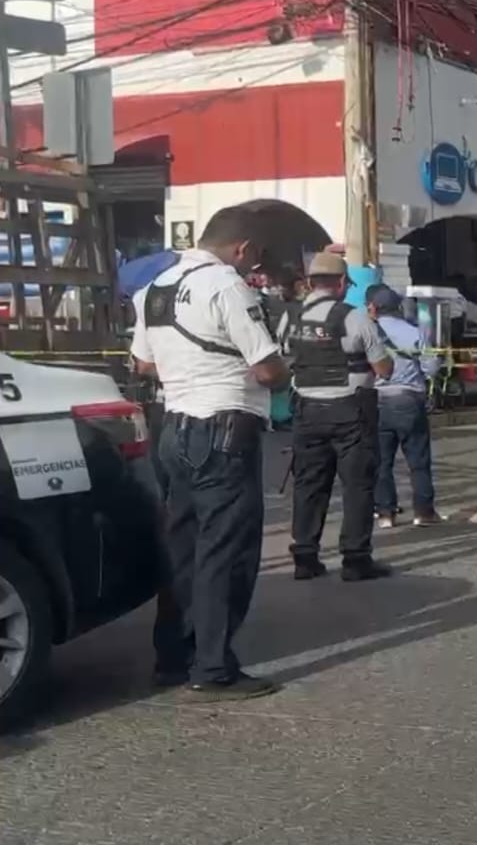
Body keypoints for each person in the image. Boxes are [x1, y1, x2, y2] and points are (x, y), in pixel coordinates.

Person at [131, 203, 291, 701]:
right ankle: (214, 667)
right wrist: (282, 372)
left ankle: (173, 658)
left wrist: (189, 371)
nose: (252, 268)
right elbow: (267, 370)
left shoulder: (153, 290)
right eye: (253, 258)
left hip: (175, 429)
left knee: (182, 546)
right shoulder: (226, 285)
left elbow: (142, 363)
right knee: (226, 552)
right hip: (224, 429)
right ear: (242, 248)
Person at [280, 251, 394, 582]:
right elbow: (383, 368)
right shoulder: (355, 317)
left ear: (311, 282)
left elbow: (285, 359)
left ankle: (305, 556)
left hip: (306, 411)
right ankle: (356, 560)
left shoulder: (291, 317)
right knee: (357, 485)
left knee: (309, 484)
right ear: (342, 283)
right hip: (351, 411)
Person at [367, 284, 444, 529]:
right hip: (410, 400)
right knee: (418, 460)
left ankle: (386, 513)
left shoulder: (370, 332)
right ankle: (423, 512)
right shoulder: (415, 332)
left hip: (377, 400)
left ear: (374, 308)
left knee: (382, 461)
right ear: (398, 307)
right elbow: (431, 368)